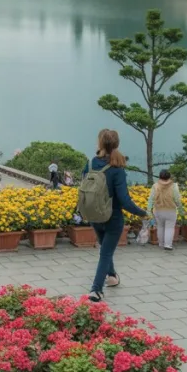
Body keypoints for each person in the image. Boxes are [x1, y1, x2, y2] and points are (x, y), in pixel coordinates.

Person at [81, 129, 146, 303]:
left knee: (105, 249)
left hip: (94, 214)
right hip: (113, 217)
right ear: (116, 144)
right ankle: (96, 290)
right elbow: (125, 200)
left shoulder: (90, 163)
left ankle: (112, 276)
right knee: (106, 252)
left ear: (100, 143)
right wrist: (142, 213)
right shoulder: (117, 169)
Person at [146, 170, 182, 251]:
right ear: (169, 177)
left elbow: (151, 199)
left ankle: (161, 244)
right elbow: (177, 199)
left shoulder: (155, 186)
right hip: (170, 210)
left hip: (158, 210)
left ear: (160, 177)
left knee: (160, 227)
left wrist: (148, 210)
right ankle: (168, 245)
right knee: (169, 227)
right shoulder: (174, 186)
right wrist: (181, 209)